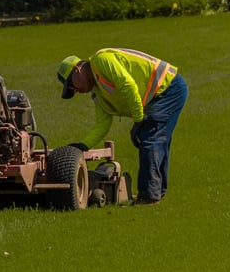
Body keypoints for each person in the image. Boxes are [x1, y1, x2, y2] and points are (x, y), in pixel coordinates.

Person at [56, 48, 188, 205]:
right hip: (159, 94)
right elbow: (102, 124)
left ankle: (148, 197)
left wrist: (139, 120)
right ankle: (158, 191)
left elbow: (128, 85)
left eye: (71, 85)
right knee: (155, 139)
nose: (75, 91)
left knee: (151, 139)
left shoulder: (101, 61)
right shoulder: (98, 92)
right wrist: (82, 146)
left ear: (77, 69)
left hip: (168, 88)